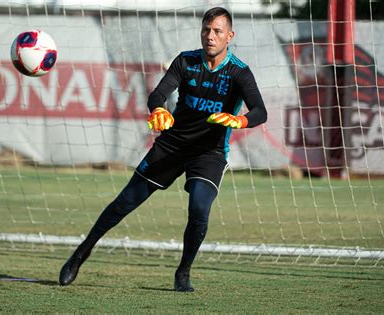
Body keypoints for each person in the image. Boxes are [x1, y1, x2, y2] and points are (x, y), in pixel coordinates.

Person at [59, 6, 267, 292]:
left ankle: (183, 272)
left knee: (199, 209)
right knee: (123, 203)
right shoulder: (185, 61)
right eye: (206, 30)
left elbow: (260, 111)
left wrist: (240, 120)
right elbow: (158, 93)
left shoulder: (239, 72)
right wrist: (158, 108)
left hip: (209, 153)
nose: (210, 36)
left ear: (229, 36)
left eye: (217, 31)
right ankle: (80, 253)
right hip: (172, 145)